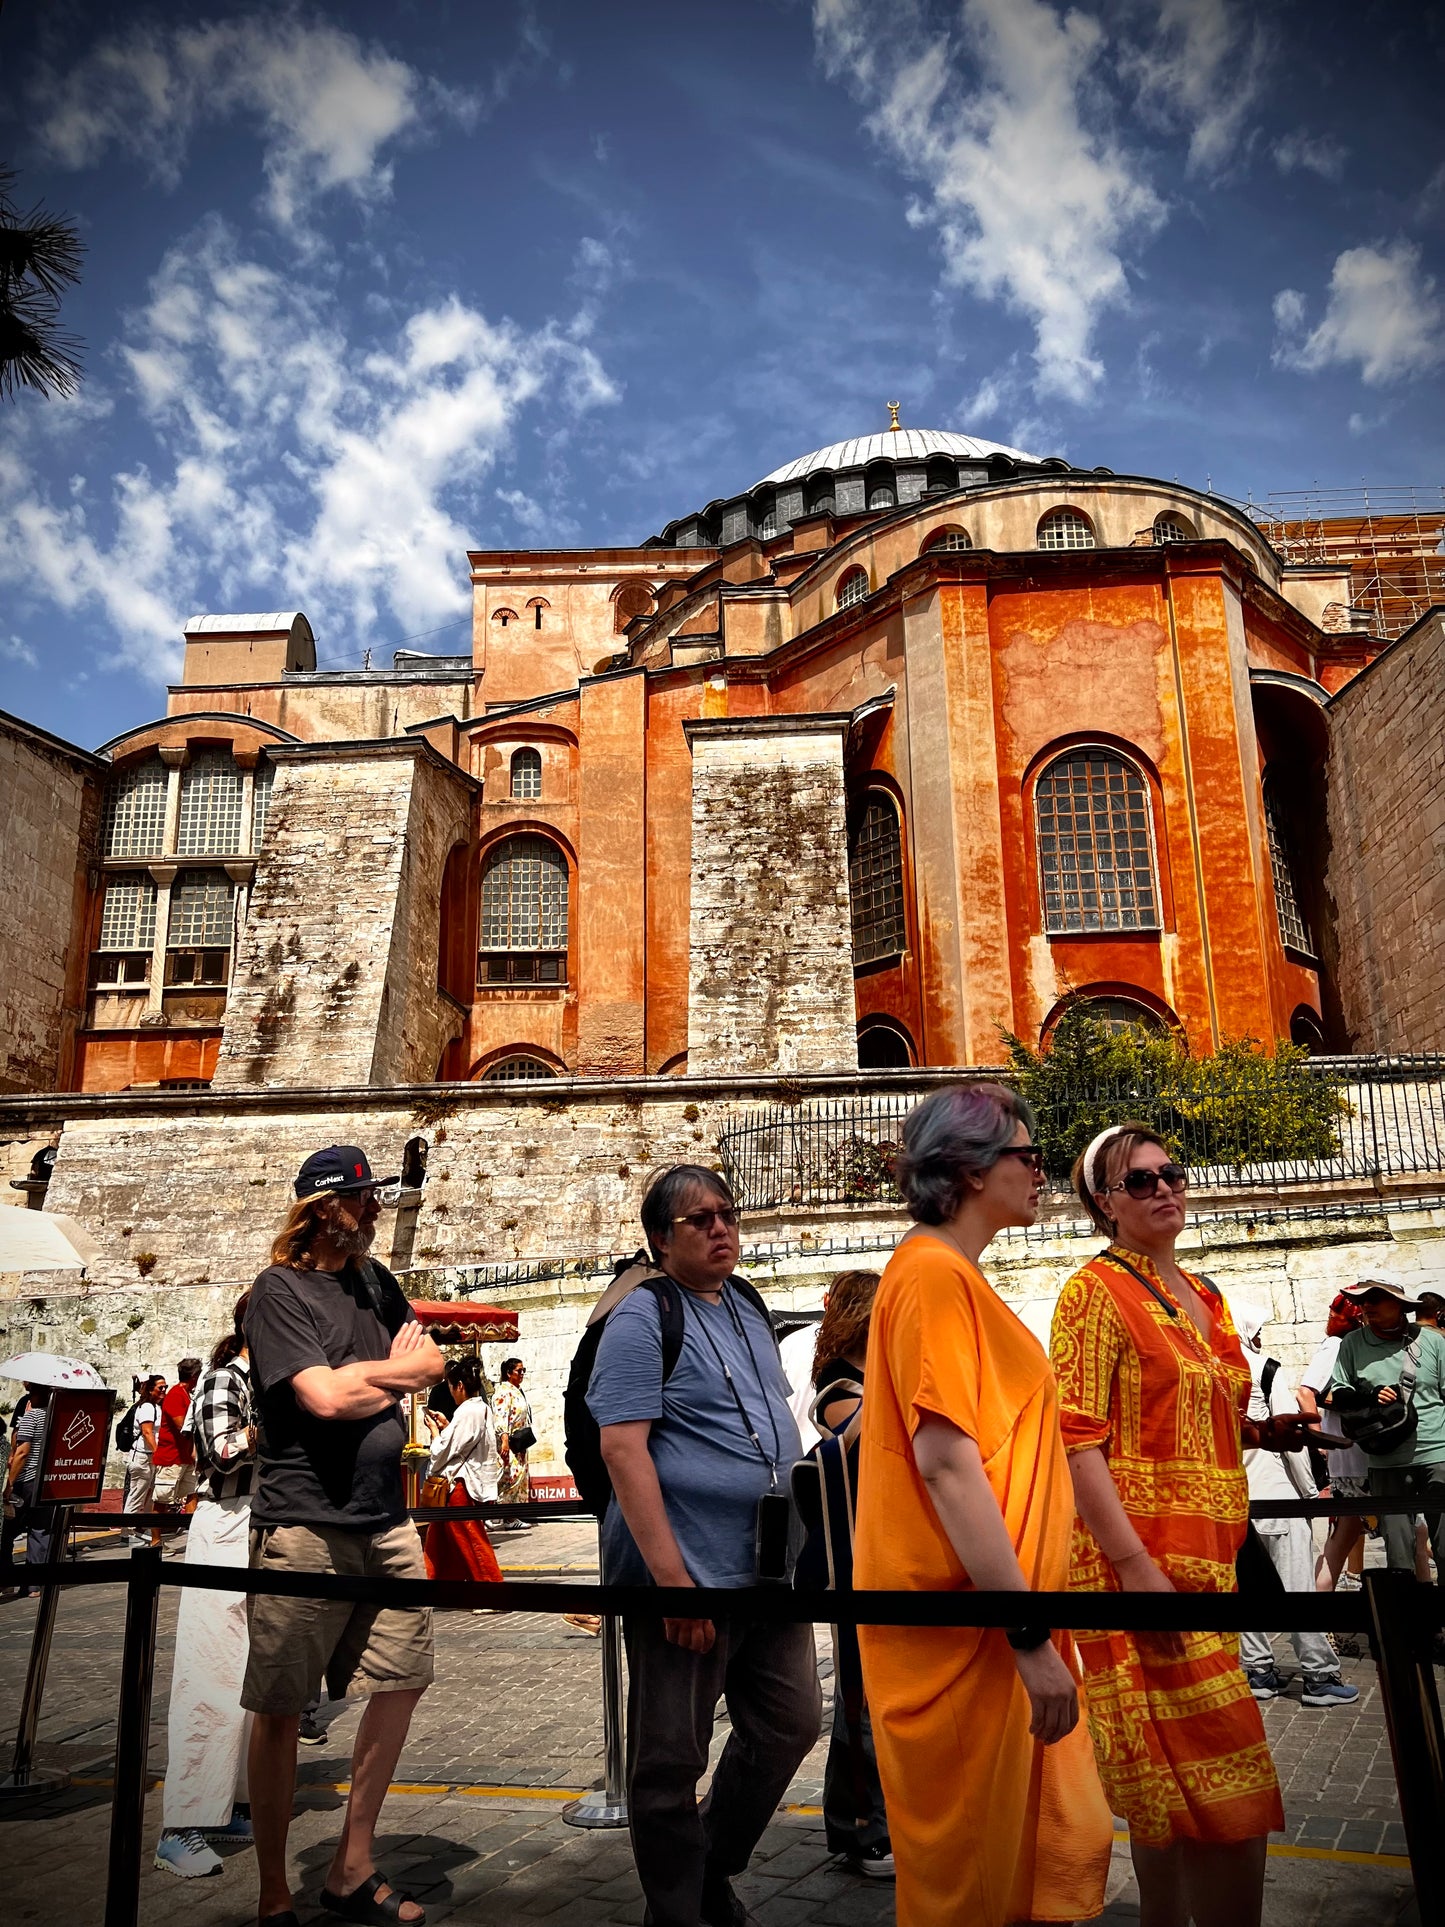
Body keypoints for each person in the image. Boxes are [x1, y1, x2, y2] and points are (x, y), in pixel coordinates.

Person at [855, 1084, 1112, 1927]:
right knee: (968, 1889)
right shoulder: (931, 1275)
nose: (1042, 1172)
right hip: (968, 1633)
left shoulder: (947, 1274)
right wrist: (1027, 1632)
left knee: (1017, 1866)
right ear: (967, 1168)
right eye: (1027, 1156)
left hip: (988, 1627)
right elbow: (947, 1465)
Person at [1050, 1122, 1299, 1927]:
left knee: (1171, 1779)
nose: (1164, 1188)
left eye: (1171, 1173)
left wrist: (1265, 1431)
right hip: (1142, 1566)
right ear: (1103, 1203)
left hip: (1209, 1565)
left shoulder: (1206, 1295)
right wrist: (1133, 1568)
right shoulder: (1092, 1292)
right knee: (1227, 1781)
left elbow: (1206, 1407)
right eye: (1139, 1181)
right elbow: (1075, 1436)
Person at [588, 1164, 821, 1927]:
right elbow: (622, 1449)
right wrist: (671, 1581)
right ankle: (679, 1912)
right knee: (668, 1760)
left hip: (767, 1568)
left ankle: (708, 1865)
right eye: (700, 1219)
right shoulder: (641, 1316)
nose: (721, 1227)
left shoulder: (748, 1303)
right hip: (685, 1574)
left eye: (727, 1213)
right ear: (661, 1239)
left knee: (789, 1722)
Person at [241, 1144, 445, 1927]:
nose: (373, 1210)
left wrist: (379, 1377)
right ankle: (273, 1893)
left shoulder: (376, 1281)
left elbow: (428, 1356)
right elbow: (323, 1399)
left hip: (385, 1517)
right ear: (322, 1207)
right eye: (361, 1199)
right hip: (304, 1522)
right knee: (283, 1706)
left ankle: (351, 1867)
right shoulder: (279, 1291)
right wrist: (388, 1377)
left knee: (403, 1677)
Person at [155, 1298, 259, 1878]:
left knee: (253, 1676)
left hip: (262, 1526)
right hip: (228, 1524)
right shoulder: (224, 1380)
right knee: (212, 1671)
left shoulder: (271, 1381)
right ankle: (183, 1824)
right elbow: (222, 1452)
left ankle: (230, 1806)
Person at [806, 1270, 894, 1879]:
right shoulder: (842, 1388)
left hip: (888, 1560)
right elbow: (865, 1432)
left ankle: (859, 1822)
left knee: (876, 1698)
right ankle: (863, 1830)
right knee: (862, 1700)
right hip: (855, 1564)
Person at [1234, 1305, 1358, 1708]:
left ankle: (1258, 1671)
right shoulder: (1263, 1368)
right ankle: (1319, 1675)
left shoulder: (1211, 1372)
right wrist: (1309, 1493)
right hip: (1274, 1494)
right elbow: (1294, 1435)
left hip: (1232, 1499)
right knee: (1298, 1585)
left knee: (1246, 1588)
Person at [1327, 1277, 1445, 1585]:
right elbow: (1337, 1393)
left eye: (1376, 1299)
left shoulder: (1433, 1342)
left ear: (1401, 1306)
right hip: (1384, 1459)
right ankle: (1411, 1628)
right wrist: (1370, 1395)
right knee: (1399, 1553)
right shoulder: (1352, 1344)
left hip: (1437, 1453)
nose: (1367, 1305)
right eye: (1364, 1300)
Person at [1297, 1292, 1370, 1594]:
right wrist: (1320, 1439)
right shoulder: (1336, 1345)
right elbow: (1305, 1392)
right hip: (1352, 1457)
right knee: (1342, 1537)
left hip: (1360, 1455)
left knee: (1346, 1534)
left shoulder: (1351, 1344)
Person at [421, 1356, 503, 1587]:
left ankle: (491, 1589)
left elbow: (442, 1450)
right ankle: (439, 1586)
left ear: (459, 1386)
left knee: (470, 1538)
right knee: (439, 1541)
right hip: (464, 1481)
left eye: (451, 1387)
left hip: (459, 1484)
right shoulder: (481, 1409)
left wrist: (436, 1432)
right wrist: (447, 1426)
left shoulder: (467, 1411)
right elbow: (464, 1442)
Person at [2, 1384, 54, 1595]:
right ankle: (33, 1585)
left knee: (5, 1532)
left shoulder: (32, 1418)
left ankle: (6, 1580)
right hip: (46, 1481)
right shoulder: (54, 1416)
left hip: (27, 1480)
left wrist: (10, 1483)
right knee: (40, 1531)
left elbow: (23, 1452)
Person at [153, 1356, 203, 1524]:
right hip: (171, 1456)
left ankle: (191, 1536)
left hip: (185, 1456)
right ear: (194, 1376)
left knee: (191, 1494)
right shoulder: (175, 1395)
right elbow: (183, 1427)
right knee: (162, 1499)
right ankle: (156, 1541)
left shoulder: (186, 1395)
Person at [123, 1371, 167, 1548]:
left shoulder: (156, 1407)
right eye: (160, 1387)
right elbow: (147, 1432)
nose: (164, 1390)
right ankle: (127, 1532)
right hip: (142, 1457)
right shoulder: (147, 1407)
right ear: (150, 1389)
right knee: (137, 1494)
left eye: (165, 1387)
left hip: (149, 1457)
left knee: (149, 1495)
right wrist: (158, 1453)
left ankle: (139, 1528)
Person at [491, 1356, 533, 1530]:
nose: (522, 1374)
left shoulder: (517, 1390)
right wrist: (504, 1439)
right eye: (519, 1371)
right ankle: (500, 1514)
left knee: (518, 1476)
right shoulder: (503, 1392)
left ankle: (511, 1514)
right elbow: (501, 1416)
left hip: (520, 1442)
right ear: (509, 1373)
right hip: (509, 1441)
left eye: (523, 1370)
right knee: (510, 1476)